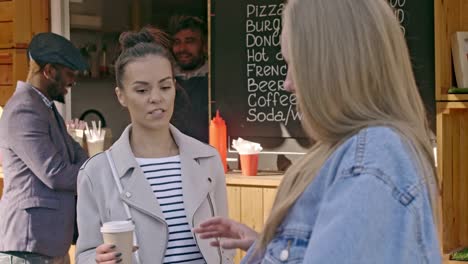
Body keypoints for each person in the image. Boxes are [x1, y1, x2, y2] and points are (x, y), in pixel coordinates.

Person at [194, 0, 442, 263]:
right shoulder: (361, 151)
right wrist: (267, 245)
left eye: (296, 64)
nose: (287, 83)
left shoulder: (371, 160)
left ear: (335, 66)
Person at [75, 29, 233, 264]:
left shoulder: (207, 159)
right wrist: (96, 260)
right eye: (142, 90)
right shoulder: (97, 172)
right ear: (121, 96)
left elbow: (224, 243)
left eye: (165, 87)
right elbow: (85, 254)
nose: (156, 98)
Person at [0, 32, 89, 263]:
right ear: (49, 71)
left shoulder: (43, 107)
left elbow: (77, 152)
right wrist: (92, 173)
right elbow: (56, 174)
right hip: (29, 245)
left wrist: (82, 163)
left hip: (46, 245)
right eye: (69, 74)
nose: (73, 82)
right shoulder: (24, 109)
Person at [170, 15, 209, 143]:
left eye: (190, 41)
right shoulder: (166, 78)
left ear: (204, 45)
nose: (182, 49)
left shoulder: (215, 79)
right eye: (177, 42)